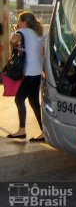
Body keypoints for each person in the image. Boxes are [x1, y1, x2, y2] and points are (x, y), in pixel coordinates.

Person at [6, 12, 45, 142]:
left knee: (19, 99)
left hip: (29, 72)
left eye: (19, 21)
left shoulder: (23, 31)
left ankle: (22, 130)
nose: (17, 24)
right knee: (34, 102)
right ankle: (44, 131)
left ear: (24, 22)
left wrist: (15, 33)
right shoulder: (39, 34)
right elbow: (42, 52)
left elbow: (13, 40)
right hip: (37, 72)